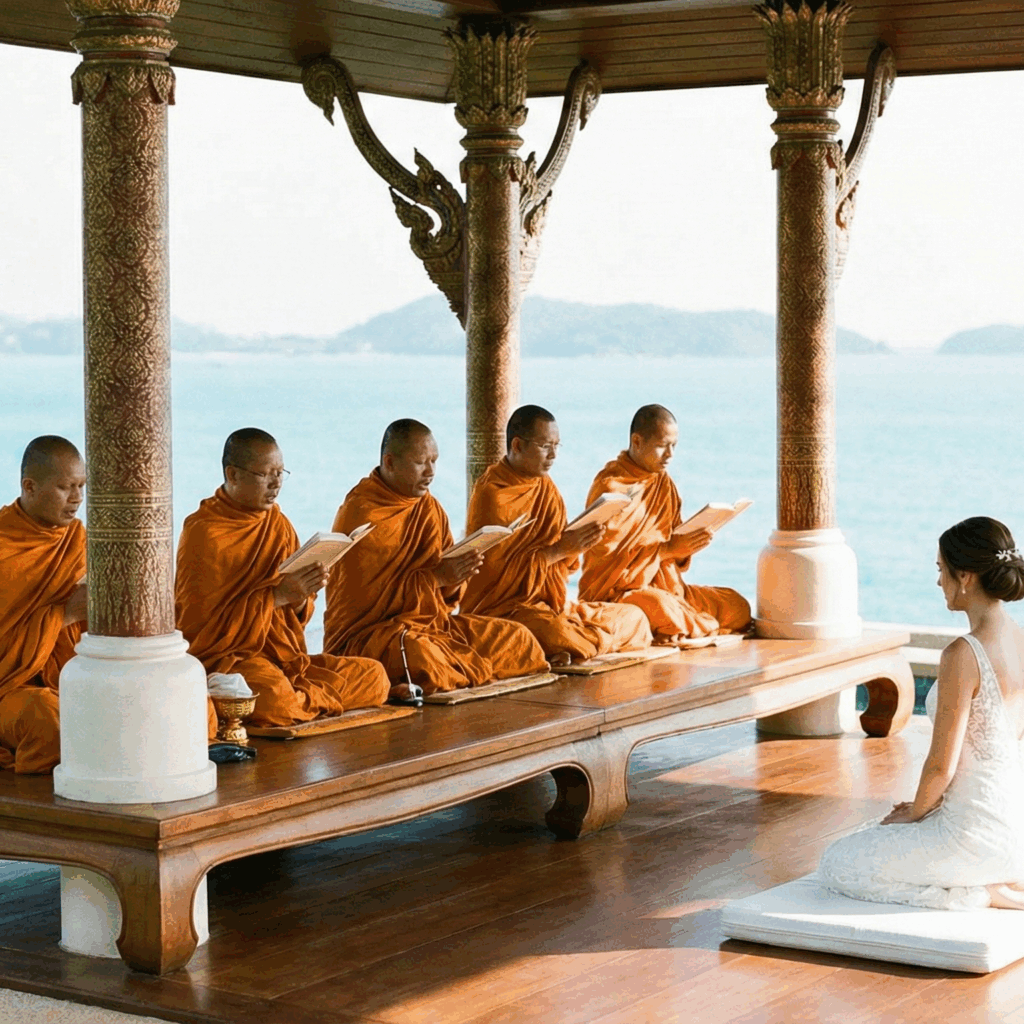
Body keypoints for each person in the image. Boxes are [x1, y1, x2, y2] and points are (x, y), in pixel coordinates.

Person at [819, 517, 1024, 911]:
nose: (938, 583)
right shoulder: (1020, 641)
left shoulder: (964, 654)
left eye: (940, 570)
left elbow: (940, 768)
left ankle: (977, 892)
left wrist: (915, 813)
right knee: (877, 839)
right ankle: (988, 880)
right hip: (1013, 833)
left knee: (838, 863)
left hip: (973, 838)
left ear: (963, 576)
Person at [176, 428, 390, 727]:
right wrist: (277, 597)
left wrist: (303, 596)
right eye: (266, 474)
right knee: (276, 699)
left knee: (375, 676)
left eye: (280, 472)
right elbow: (199, 630)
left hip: (286, 661)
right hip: (234, 661)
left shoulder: (278, 523)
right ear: (233, 475)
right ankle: (298, 701)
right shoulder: (205, 532)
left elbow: (295, 619)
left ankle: (301, 701)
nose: (276, 483)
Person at [322, 418, 549, 695]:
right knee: (419, 656)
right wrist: (435, 577)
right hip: (375, 636)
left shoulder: (429, 507)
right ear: (390, 462)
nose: (430, 472)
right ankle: (443, 672)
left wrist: (456, 576)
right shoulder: (363, 513)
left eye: (434, 461)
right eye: (421, 463)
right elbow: (362, 603)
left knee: (517, 638)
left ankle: (452, 671)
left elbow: (445, 600)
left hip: (432, 627)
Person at [461, 405, 652, 664]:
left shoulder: (546, 486)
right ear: (517, 445)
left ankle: (575, 644)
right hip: (505, 611)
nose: (552, 455)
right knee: (545, 632)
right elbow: (493, 577)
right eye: (544, 446)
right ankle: (574, 643)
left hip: (550, 607)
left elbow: (564, 566)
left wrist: (578, 544)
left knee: (635, 616)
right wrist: (559, 550)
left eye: (556, 446)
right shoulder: (494, 493)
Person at [578, 404, 751, 641]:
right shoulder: (612, 487)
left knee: (737, 605)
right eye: (662, 446)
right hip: (620, 595)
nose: (670, 455)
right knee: (663, 610)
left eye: (674, 446)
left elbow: (673, 546)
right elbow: (608, 563)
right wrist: (667, 550)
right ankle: (678, 625)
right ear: (637, 441)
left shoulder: (663, 483)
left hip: (670, 589)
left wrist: (686, 548)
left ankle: (679, 626)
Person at [0, 436, 86, 773]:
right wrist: (64, 615)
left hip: (72, 679)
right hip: (11, 691)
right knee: (49, 720)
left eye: (81, 486)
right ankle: (46, 814)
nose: (77, 498)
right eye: (66, 487)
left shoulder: (78, 540)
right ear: (30, 486)